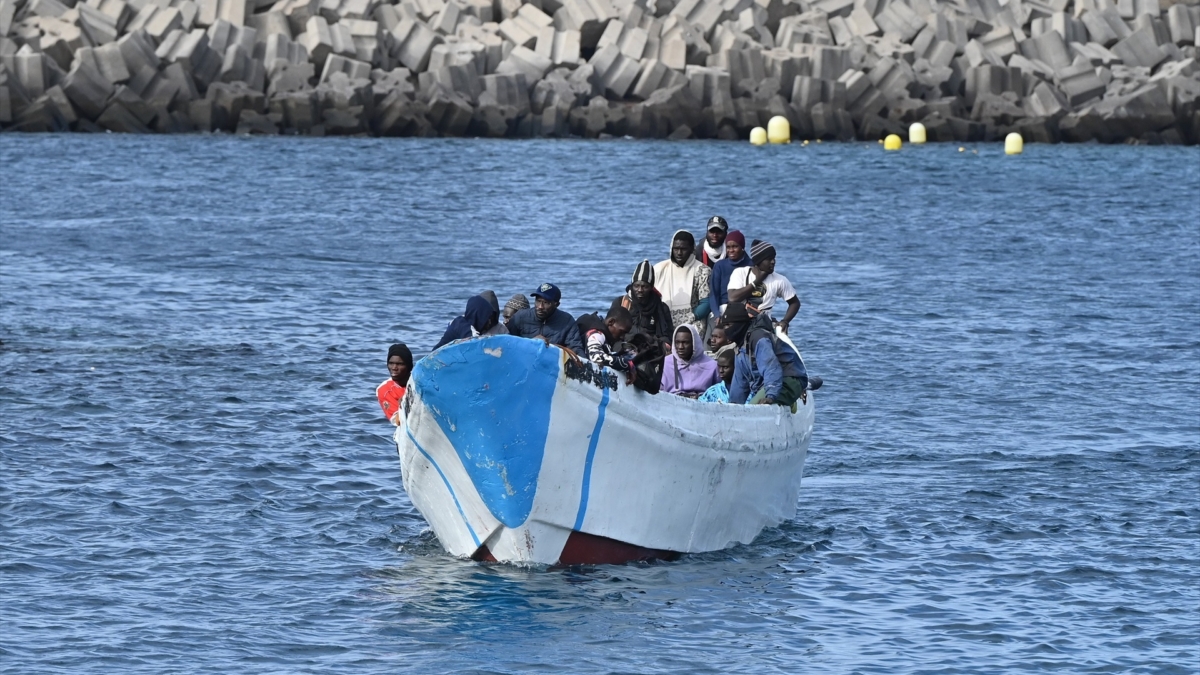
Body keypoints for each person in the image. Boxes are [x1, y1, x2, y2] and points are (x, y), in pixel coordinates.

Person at [724, 302, 808, 407]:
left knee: (754, 408)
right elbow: (740, 384)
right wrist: (733, 408)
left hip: (789, 379)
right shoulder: (740, 348)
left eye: (728, 325)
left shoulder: (759, 338)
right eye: (724, 326)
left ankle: (789, 400)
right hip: (769, 384)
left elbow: (771, 367)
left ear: (739, 324)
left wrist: (770, 396)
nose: (725, 330)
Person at [727, 239, 800, 334]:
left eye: (774, 258)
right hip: (739, 324)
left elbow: (795, 303)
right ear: (758, 261)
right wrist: (758, 281)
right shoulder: (741, 273)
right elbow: (733, 298)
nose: (773, 262)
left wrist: (785, 321)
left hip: (762, 326)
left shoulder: (780, 280)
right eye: (769, 259)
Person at [653, 229, 711, 336]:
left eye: (683, 249)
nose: (679, 253)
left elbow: (706, 303)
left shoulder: (702, 270)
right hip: (663, 322)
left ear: (692, 249)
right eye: (676, 249)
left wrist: (689, 319)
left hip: (693, 322)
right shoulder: (659, 269)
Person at [507, 283, 585, 353]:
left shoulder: (567, 321)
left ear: (556, 304)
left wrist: (551, 348)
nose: (540, 307)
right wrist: (531, 343)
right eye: (538, 301)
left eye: (546, 302)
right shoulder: (520, 317)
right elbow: (508, 343)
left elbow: (576, 350)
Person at [620, 260, 674, 350]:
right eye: (636, 286)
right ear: (632, 286)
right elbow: (613, 332)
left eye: (645, 286)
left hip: (651, 349)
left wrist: (651, 340)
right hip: (625, 347)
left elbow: (668, 337)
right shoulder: (622, 304)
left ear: (651, 287)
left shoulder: (661, 308)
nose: (640, 290)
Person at [660, 324, 719, 397]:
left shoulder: (711, 365)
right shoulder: (666, 363)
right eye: (677, 342)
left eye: (685, 343)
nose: (681, 347)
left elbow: (719, 392)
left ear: (694, 343)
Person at [577, 304, 635, 372]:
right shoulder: (596, 334)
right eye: (622, 332)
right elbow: (596, 357)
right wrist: (628, 365)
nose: (623, 337)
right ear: (611, 322)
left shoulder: (602, 331)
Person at [708, 230, 752, 318]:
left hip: (745, 310)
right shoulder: (719, 266)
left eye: (735, 246)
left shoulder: (752, 265)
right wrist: (717, 314)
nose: (731, 250)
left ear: (742, 247)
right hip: (722, 309)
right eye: (728, 247)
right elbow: (714, 294)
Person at [433, 294, 497, 350]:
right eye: (487, 318)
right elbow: (475, 343)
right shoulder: (463, 326)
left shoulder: (460, 321)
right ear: (479, 316)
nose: (489, 322)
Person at [376, 343, 413, 424]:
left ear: (408, 366)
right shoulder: (384, 390)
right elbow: (398, 421)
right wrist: (406, 401)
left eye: (400, 364)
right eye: (391, 363)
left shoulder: (420, 381)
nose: (394, 368)